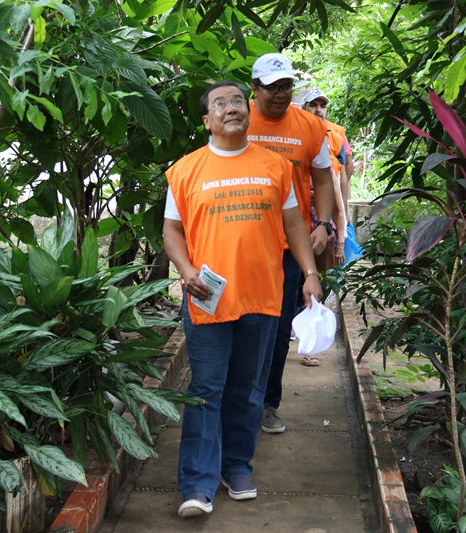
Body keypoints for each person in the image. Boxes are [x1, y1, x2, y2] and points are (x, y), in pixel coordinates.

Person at [162, 80, 323, 518]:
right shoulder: (185, 170)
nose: (231, 108)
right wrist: (186, 270)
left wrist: (310, 274)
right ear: (207, 120)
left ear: (246, 111)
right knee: (205, 389)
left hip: (263, 295)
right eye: (221, 103)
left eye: (237, 101)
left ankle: (237, 467)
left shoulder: (275, 167)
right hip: (207, 298)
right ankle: (197, 485)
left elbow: (294, 226)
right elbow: (172, 230)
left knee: (248, 390)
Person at [246, 53, 335, 431]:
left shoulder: (310, 126)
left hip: (288, 245)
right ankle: (239, 403)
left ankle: (267, 403)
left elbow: (325, 179)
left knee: (280, 327)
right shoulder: (236, 117)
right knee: (242, 324)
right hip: (243, 242)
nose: (281, 95)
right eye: (272, 87)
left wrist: (324, 224)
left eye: (286, 86)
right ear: (255, 88)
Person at [301, 89, 349, 271]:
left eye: (322, 106)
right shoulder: (292, 143)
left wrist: (340, 243)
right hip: (293, 233)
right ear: (303, 109)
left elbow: (342, 173)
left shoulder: (335, 137)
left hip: (322, 232)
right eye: (313, 105)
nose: (318, 110)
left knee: (320, 286)